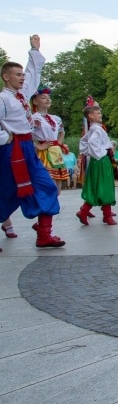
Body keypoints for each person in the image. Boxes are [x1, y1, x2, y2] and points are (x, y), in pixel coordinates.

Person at [0, 35, 64, 248]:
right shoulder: (3, 99)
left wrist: (34, 51)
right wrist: (5, 137)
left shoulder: (22, 94)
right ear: (6, 77)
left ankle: (44, 234)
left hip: (27, 149)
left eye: (21, 74)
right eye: (17, 75)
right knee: (6, 190)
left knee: (47, 186)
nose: (22, 78)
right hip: (11, 150)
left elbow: (32, 73)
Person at [76, 102, 117, 225]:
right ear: (90, 116)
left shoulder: (94, 128)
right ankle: (106, 215)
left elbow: (83, 141)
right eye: (98, 113)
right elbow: (92, 142)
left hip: (97, 160)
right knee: (105, 186)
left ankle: (86, 211)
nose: (101, 115)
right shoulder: (97, 129)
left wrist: (90, 153)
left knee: (96, 186)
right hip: (101, 161)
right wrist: (100, 153)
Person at [30, 86, 69, 194]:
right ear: (35, 101)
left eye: (48, 97)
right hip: (44, 153)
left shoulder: (55, 118)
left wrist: (58, 144)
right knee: (48, 183)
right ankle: (47, 207)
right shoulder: (34, 118)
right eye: (43, 97)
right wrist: (38, 146)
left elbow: (62, 132)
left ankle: (53, 206)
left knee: (58, 187)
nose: (47, 99)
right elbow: (27, 134)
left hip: (55, 152)